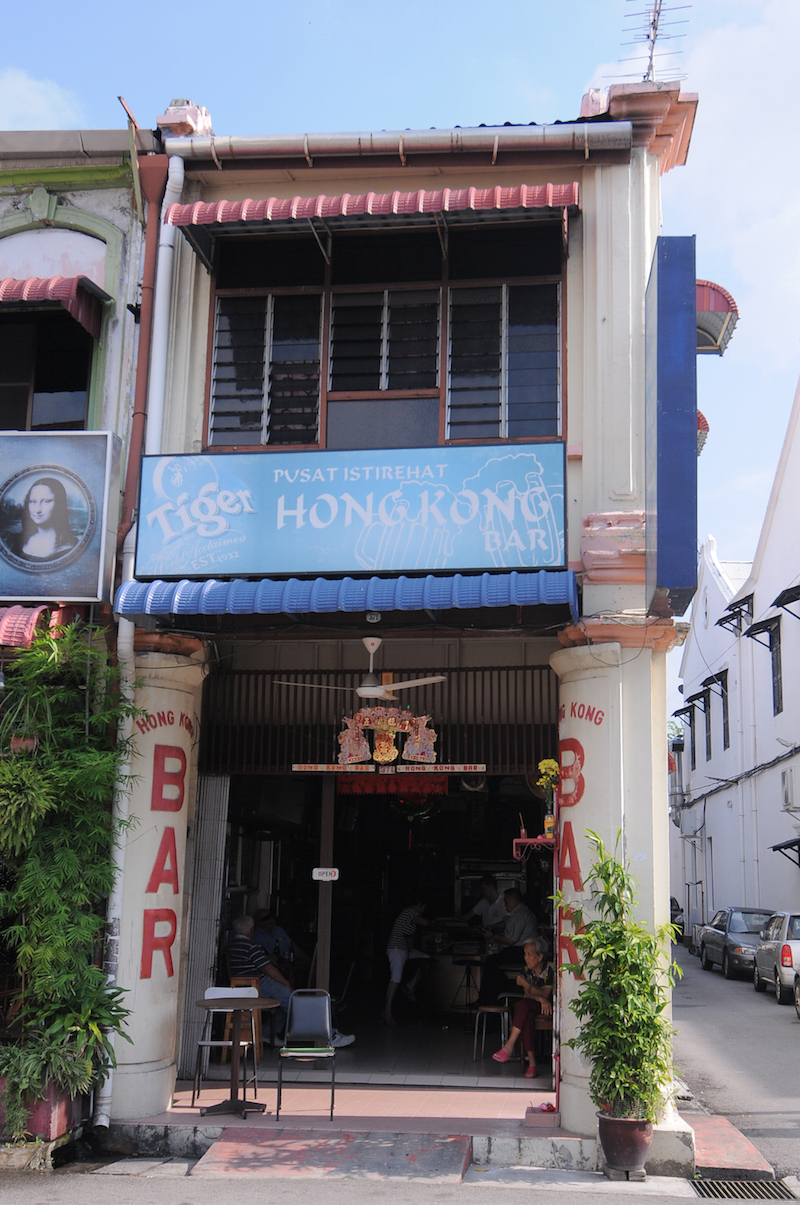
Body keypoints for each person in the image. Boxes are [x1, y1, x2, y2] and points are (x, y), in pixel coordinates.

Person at [491, 936, 553, 1078]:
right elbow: (529, 995)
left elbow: (547, 994)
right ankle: (532, 1064)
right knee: (526, 1014)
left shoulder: (550, 969)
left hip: (548, 1007)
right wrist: (539, 998)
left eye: (529, 955)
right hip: (533, 1004)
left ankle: (510, 1046)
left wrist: (529, 986)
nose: (526, 958)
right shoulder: (526, 970)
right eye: (525, 954)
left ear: (539, 957)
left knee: (523, 1006)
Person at [477, 888, 539, 1005]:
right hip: (519, 950)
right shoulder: (518, 913)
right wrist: (492, 927)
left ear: (515, 901)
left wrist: (492, 936)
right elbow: (507, 922)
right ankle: (489, 998)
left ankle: (488, 1000)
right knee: (493, 963)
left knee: (491, 962)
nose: (505, 905)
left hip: (521, 952)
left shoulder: (520, 915)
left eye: (507, 902)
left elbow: (511, 940)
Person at [383, 898, 430, 1025]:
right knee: (396, 978)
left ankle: (411, 985)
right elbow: (425, 923)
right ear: (419, 905)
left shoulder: (407, 914)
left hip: (405, 950)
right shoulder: (410, 912)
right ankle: (388, 1011)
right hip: (397, 949)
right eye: (423, 908)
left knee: (427, 959)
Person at [19, 477, 76, 560]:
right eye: (33, 501)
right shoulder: (20, 540)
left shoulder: (67, 548)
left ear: (59, 504)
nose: (37, 510)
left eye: (46, 501)